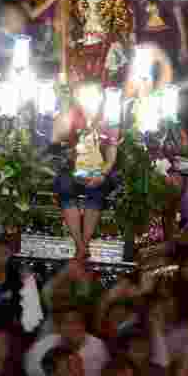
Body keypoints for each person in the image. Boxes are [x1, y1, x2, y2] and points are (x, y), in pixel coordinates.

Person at [51, 83, 120, 261]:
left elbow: (111, 157)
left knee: (96, 188)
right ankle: (80, 245)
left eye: (93, 95)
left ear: (100, 97)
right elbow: (55, 142)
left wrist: (101, 174)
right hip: (74, 169)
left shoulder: (109, 119)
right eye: (83, 95)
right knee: (64, 185)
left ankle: (85, 242)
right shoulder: (71, 116)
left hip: (99, 170)